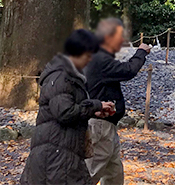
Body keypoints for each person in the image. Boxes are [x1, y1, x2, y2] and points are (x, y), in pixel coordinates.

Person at [20, 29, 115, 185]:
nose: (90, 60)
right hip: (56, 154)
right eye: (88, 55)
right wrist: (95, 105)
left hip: (64, 150)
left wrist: (94, 111)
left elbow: (69, 107)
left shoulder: (69, 76)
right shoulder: (60, 76)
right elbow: (65, 113)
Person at [84, 18, 151, 185]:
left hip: (107, 125)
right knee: (91, 172)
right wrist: (141, 52)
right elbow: (128, 71)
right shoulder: (99, 59)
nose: (122, 41)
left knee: (114, 173)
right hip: (100, 125)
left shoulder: (96, 57)